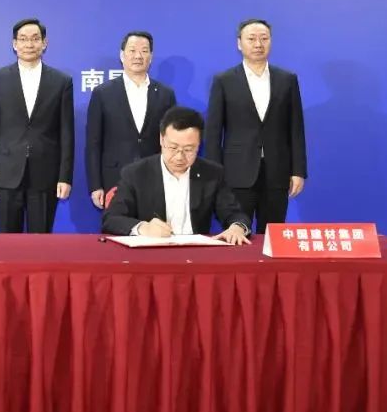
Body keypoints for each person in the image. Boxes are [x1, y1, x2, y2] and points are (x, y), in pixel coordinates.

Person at [205, 18, 307, 232]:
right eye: (251, 39)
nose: (258, 44)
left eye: (264, 38)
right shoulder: (224, 80)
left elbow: (296, 128)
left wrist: (298, 171)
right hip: (236, 173)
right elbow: (213, 132)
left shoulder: (287, 79)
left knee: (272, 234)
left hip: (277, 172)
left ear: (271, 41)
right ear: (239, 43)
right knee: (236, 232)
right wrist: (214, 173)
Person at [102, 107, 250, 244]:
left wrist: (237, 227)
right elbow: (111, 219)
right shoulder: (136, 173)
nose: (179, 157)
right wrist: (143, 228)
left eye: (188, 149)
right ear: (161, 140)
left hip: (196, 253)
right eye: (173, 147)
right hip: (152, 252)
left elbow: (235, 214)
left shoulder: (212, 173)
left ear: (199, 145)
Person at [0, 18, 73, 233]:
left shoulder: (61, 81)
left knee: (40, 243)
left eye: (35, 39)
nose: (29, 44)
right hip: (7, 173)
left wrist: (64, 177)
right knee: (8, 242)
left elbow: (67, 133)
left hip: (45, 174)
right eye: (23, 39)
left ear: (44, 43)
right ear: (14, 44)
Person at [85, 30, 177, 209]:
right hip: (114, 179)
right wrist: (95, 185)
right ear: (122, 55)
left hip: (155, 177)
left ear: (151, 57)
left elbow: (172, 140)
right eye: (132, 50)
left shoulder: (165, 94)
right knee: (117, 225)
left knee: (153, 226)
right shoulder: (103, 93)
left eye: (144, 51)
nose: (138, 56)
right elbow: (93, 143)